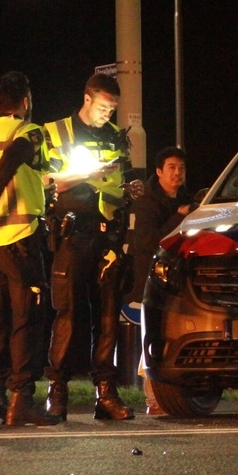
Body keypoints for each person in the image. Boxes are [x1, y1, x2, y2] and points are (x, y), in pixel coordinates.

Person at [0, 71, 59, 427]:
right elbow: (15, 158)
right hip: (17, 236)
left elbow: (23, 171)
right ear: (25, 102)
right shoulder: (27, 132)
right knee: (27, 319)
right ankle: (21, 401)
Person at [42, 73, 135, 421]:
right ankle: (58, 393)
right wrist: (90, 173)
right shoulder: (58, 132)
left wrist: (129, 190)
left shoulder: (114, 137)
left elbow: (116, 184)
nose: (106, 115)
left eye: (112, 109)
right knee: (67, 314)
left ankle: (106, 395)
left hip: (106, 236)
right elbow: (47, 180)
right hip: (72, 234)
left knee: (108, 316)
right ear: (87, 98)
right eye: (102, 107)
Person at [127, 146, 195, 415]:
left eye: (181, 168)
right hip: (152, 279)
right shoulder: (147, 202)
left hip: (180, 277)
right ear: (158, 171)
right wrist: (179, 217)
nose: (177, 173)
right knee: (154, 334)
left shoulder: (187, 199)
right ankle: (153, 399)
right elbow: (147, 242)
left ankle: (167, 395)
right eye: (171, 168)